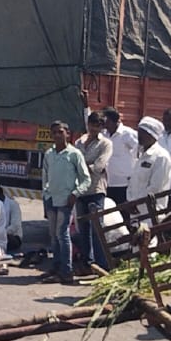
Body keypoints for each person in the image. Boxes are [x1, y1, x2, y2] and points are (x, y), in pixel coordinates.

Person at [42, 121, 90, 285]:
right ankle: (55, 267)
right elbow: (45, 176)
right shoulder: (49, 154)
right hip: (51, 199)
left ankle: (67, 271)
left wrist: (75, 194)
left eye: (60, 132)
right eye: (54, 132)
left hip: (65, 201)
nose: (57, 135)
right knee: (54, 236)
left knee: (63, 235)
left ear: (68, 133)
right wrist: (46, 194)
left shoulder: (74, 154)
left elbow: (86, 179)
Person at [73, 112, 112, 271]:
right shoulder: (79, 142)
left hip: (96, 189)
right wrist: (84, 167)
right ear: (88, 124)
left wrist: (82, 167)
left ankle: (102, 264)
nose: (95, 128)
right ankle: (87, 263)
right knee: (83, 229)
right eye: (93, 124)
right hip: (81, 190)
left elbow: (99, 167)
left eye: (98, 125)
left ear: (102, 127)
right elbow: (74, 163)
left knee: (97, 228)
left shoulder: (106, 144)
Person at [128, 117, 171, 228]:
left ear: (153, 136)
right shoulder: (138, 153)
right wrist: (130, 201)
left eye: (144, 133)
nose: (140, 136)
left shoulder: (161, 157)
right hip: (134, 211)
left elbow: (155, 187)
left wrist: (137, 204)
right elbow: (132, 181)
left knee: (150, 243)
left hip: (150, 212)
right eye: (139, 132)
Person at [102, 106, 138, 207]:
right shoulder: (104, 134)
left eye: (107, 121)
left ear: (115, 121)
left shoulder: (128, 134)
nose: (104, 124)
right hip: (107, 182)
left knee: (124, 213)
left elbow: (141, 151)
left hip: (123, 183)